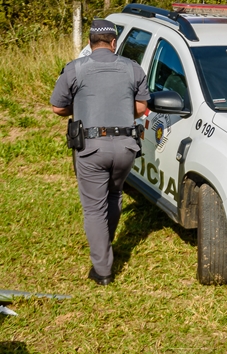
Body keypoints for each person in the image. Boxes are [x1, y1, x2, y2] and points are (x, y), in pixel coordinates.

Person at [50, 19, 150, 286]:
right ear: (114, 43)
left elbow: (58, 107)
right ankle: (106, 246)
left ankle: (103, 270)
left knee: (94, 208)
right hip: (127, 147)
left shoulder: (75, 69)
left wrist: (81, 105)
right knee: (115, 194)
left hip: (92, 148)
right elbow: (141, 108)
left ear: (90, 43)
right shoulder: (133, 68)